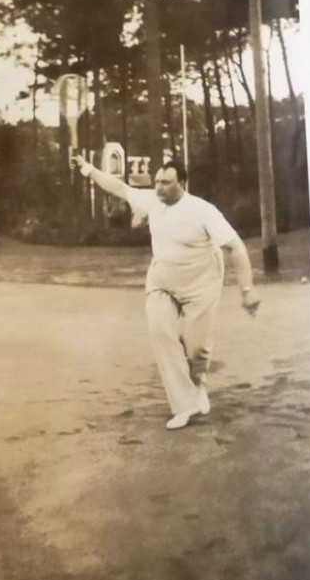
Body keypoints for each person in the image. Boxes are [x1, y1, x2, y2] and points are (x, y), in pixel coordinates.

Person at [72, 155, 260, 429]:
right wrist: (88, 169)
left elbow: (237, 248)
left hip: (202, 280)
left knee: (196, 348)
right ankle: (185, 405)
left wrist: (247, 290)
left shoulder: (203, 211)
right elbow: (118, 187)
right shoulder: (152, 200)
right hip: (162, 278)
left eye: (166, 183)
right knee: (161, 333)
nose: (159, 188)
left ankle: (199, 384)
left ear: (182, 183)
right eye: (157, 182)